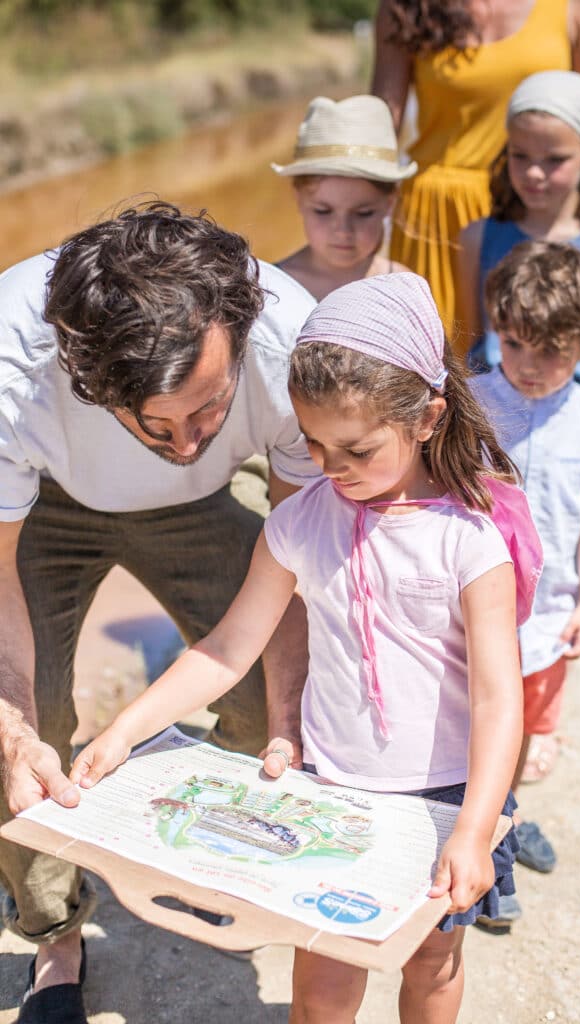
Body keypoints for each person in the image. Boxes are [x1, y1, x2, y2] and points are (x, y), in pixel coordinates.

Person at [71, 272, 543, 1022]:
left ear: (426, 418)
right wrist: (124, 732)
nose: (328, 468)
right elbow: (227, 648)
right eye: (313, 444)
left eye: (355, 448)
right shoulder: (297, 525)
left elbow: (498, 699)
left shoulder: (470, 540)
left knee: (430, 962)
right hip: (330, 788)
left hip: (445, 795)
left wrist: (475, 828)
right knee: (323, 985)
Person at [0, 201, 319, 1024]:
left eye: (208, 411)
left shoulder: (291, 340)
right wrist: (15, 726)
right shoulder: (12, 361)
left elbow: (294, 551)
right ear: (85, 376)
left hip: (203, 509)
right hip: (45, 505)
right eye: (159, 424)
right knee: (27, 733)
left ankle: (176, 833)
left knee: (268, 709)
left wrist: (286, 713)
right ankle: (55, 933)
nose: (188, 442)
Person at [372, 0, 580, 352]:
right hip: (431, 218)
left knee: (531, 365)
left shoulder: (579, 6)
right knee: (426, 378)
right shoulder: (405, 6)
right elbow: (381, 123)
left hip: (533, 214)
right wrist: (346, 215)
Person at [470, 241, 580, 928]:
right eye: (514, 344)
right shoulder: (467, 404)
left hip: (546, 617)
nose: (529, 367)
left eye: (552, 352)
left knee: (527, 723)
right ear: (494, 327)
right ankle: (479, 839)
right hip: (469, 612)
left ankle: (504, 816)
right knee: (468, 722)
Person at [460, 70, 580, 397]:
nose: (533, 172)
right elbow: (475, 338)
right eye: (520, 155)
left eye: (554, 159)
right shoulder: (476, 238)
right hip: (498, 411)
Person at [272, 94, 416, 301]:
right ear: (298, 198)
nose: (343, 230)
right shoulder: (270, 289)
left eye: (363, 213)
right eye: (323, 211)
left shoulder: (404, 288)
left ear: (390, 203)